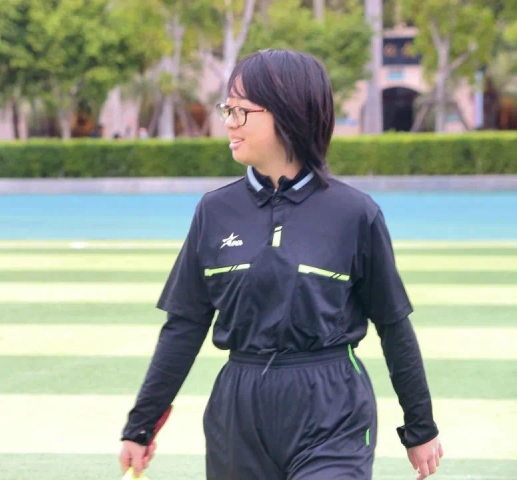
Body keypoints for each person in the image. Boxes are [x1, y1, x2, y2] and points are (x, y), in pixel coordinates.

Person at [119, 49, 443, 480]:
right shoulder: (214, 211)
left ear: (289, 113)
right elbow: (184, 326)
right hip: (238, 411)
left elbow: (393, 324)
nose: (229, 122)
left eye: (241, 110)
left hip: (333, 407)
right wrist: (141, 425)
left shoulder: (354, 213)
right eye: (226, 109)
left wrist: (420, 427)